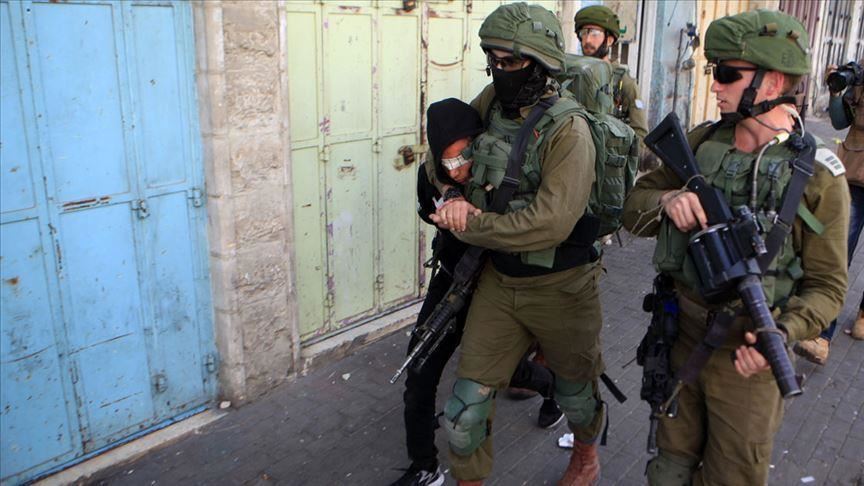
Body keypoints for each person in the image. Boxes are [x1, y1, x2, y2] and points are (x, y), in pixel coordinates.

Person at [622, 10, 849, 485]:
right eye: (714, 70)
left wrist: (782, 334)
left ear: (775, 82)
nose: (716, 85)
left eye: (728, 73)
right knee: (666, 469)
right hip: (680, 334)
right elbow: (630, 207)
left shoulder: (818, 176)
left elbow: (828, 287)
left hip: (749, 357)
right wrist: (667, 200)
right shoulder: (702, 142)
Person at [429, 4, 605, 484]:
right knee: (464, 411)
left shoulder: (569, 130)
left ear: (541, 62)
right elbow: (440, 153)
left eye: (511, 62)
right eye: (493, 60)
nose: (499, 71)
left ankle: (586, 458)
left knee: (577, 397)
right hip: (500, 281)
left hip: (562, 286)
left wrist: (469, 226)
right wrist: (450, 194)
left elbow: (549, 224)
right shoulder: (492, 102)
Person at [390, 98, 560, 486]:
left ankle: (556, 390)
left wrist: (481, 216)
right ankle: (424, 466)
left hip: (497, 285)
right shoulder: (434, 175)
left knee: (508, 371)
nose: (459, 168)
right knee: (419, 367)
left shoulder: (506, 172)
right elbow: (428, 203)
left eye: (465, 155)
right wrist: (450, 199)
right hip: (454, 277)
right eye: (449, 161)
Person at [794, 58, 864, 364]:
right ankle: (821, 334)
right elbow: (839, 122)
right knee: (837, 252)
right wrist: (837, 93)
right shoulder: (859, 75)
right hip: (856, 175)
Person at [573, 5, 649, 160]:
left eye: (594, 33)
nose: (587, 40)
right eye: (583, 33)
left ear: (609, 40)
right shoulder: (573, 75)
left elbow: (640, 133)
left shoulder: (624, 82)